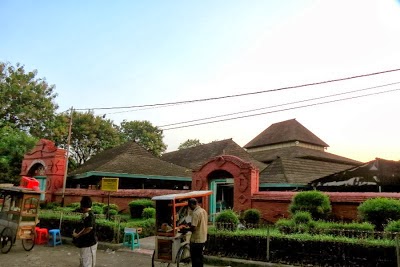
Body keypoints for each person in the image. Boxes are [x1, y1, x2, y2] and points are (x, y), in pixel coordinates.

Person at [73, 196, 98, 267]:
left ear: (82, 205)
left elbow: (89, 228)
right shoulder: (86, 214)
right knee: (83, 260)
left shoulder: (90, 215)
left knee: (87, 263)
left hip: (89, 243)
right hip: (84, 243)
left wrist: (78, 235)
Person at [188, 198, 208, 267]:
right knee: (200, 257)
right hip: (203, 238)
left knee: (195, 258)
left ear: (192, 204)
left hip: (196, 240)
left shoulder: (195, 213)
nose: (189, 208)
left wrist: (187, 228)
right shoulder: (203, 211)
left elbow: (194, 227)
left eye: (189, 206)